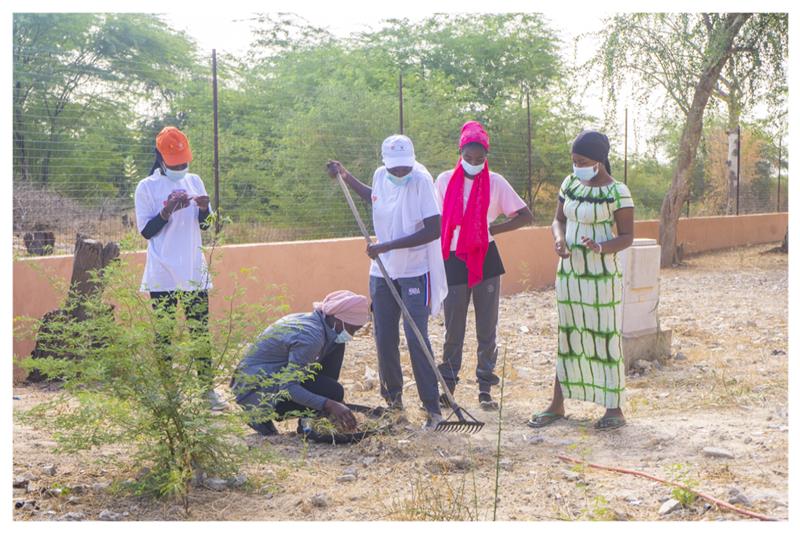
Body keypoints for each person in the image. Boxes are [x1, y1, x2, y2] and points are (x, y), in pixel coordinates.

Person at [326, 134, 448, 429]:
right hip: (382, 271)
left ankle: (432, 406)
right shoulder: (382, 175)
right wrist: (346, 176)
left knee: (415, 334)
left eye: (403, 167)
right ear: (385, 162)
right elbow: (376, 197)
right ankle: (394, 403)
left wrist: (387, 246)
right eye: (394, 167)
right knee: (384, 336)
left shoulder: (421, 180)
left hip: (415, 269)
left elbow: (434, 228)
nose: (399, 172)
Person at [528, 130, 634, 431]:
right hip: (570, 273)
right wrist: (559, 240)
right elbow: (558, 219)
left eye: (582, 161)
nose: (576, 166)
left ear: (599, 162)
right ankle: (557, 404)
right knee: (569, 335)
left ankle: (614, 409)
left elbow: (627, 236)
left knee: (604, 336)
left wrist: (602, 248)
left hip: (602, 277)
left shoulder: (618, 192)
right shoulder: (570, 183)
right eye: (574, 160)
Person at [435, 121, 533, 411]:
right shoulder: (442, 181)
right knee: (453, 327)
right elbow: (436, 219)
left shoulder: (496, 182)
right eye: (469, 158)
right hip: (453, 258)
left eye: (480, 159)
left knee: (486, 327)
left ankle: (485, 389)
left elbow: (525, 215)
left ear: (486, 156)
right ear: (460, 152)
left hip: (485, 257)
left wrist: (491, 230)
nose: (474, 164)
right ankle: (448, 386)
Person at [134, 126, 227, 410]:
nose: (181, 168)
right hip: (162, 272)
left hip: (193, 270)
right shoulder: (146, 187)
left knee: (200, 331)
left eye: (184, 163)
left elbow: (207, 226)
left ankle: (207, 391)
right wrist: (167, 211)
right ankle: (169, 393)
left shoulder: (194, 180)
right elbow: (147, 231)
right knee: (164, 333)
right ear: (161, 159)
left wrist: (204, 208)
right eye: (175, 164)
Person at [231, 290, 370, 435]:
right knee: (334, 392)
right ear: (338, 319)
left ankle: (311, 416)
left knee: (337, 345)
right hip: (255, 391)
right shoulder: (311, 338)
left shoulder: (317, 322)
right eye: (352, 329)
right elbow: (289, 387)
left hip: (273, 376)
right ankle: (259, 414)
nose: (352, 335)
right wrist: (329, 404)